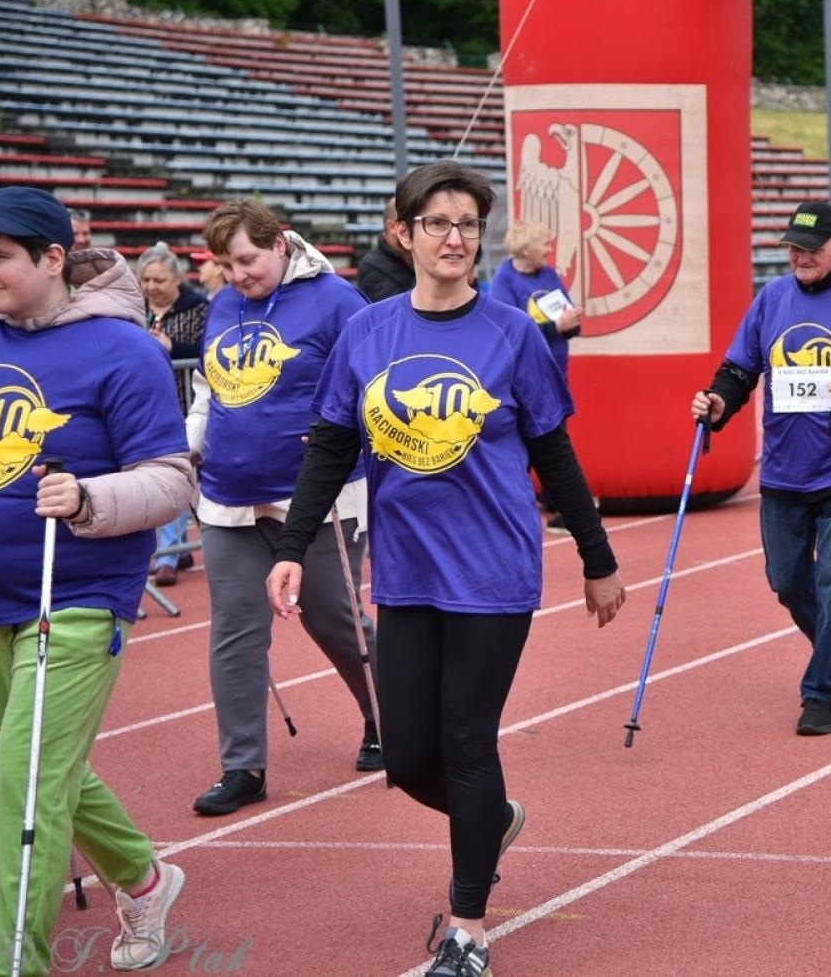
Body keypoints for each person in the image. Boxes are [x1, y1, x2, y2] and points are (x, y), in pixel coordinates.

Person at [264, 160, 625, 977]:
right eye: (437, 224)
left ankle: (468, 928)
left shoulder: (511, 333)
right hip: (404, 572)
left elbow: (553, 453)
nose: (454, 238)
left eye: (467, 225)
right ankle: (491, 817)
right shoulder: (368, 331)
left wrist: (596, 559)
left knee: (466, 737)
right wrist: (291, 550)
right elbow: (329, 448)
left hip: (493, 570)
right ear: (405, 234)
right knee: (409, 756)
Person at [0, 186, 193, 974]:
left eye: (0, 256)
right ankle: (143, 880)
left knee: (25, 794)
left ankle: (15, 964)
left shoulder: (122, 348)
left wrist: (88, 498)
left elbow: (173, 481)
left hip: (68, 599)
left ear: (53, 259)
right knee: (33, 765)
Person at [690, 200, 831, 737]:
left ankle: (822, 692)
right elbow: (738, 370)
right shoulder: (771, 299)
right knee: (788, 582)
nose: (800, 256)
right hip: (784, 474)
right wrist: (718, 402)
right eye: (793, 246)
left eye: (812, 248)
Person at [184, 199, 382, 817]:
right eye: (225, 264)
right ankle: (242, 765)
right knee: (235, 634)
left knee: (336, 621)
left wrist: (343, 431)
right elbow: (206, 391)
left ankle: (388, 717)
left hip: (317, 498)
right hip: (228, 497)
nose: (237, 274)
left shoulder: (336, 300)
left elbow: (378, 383)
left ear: (278, 244)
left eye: (246, 259)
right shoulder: (222, 305)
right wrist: (187, 447)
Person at [138, 241, 209, 585]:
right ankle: (176, 547)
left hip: (186, 404)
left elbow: (208, 352)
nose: (151, 286)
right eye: (146, 279)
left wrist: (173, 348)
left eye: (159, 280)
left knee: (177, 474)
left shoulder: (198, 309)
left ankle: (167, 553)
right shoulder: (137, 309)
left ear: (177, 280)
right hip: (147, 407)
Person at [490, 220, 582, 379]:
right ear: (526, 250)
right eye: (545, 244)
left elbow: (569, 320)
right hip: (525, 378)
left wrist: (571, 321)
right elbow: (511, 331)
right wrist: (557, 327)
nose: (550, 249)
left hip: (557, 373)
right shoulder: (504, 279)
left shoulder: (549, 274)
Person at [354, 196, 414, 302]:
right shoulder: (372, 267)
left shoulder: (414, 256)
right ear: (392, 227)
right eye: (410, 223)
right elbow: (393, 311)